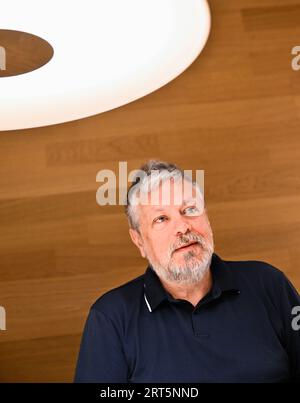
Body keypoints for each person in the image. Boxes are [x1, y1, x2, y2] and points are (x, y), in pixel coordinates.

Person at [74, 160, 300, 383]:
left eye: (190, 209)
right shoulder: (111, 318)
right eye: (161, 218)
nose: (183, 227)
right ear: (139, 241)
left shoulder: (268, 283)